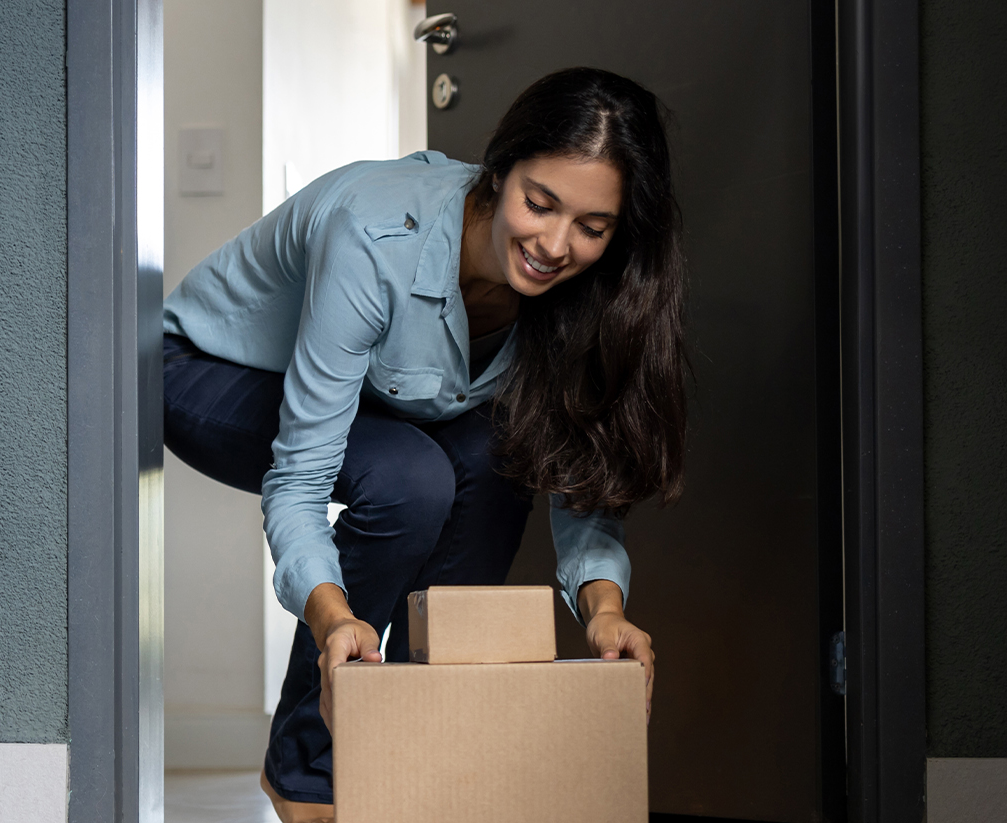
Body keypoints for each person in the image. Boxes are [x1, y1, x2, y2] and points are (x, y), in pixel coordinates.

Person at [161, 67, 684, 820]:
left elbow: (581, 474)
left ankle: (411, 740)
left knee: (504, 455)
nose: (555, 244)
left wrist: (603, 609)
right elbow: (302, 477)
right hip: (208, 371)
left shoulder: (586, 292)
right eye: (539, 203)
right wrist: (336, 620)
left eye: (592, 228)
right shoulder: (374, 238)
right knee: (411, 477)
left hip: (372, 408)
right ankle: (309, 770)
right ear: (498, 172)